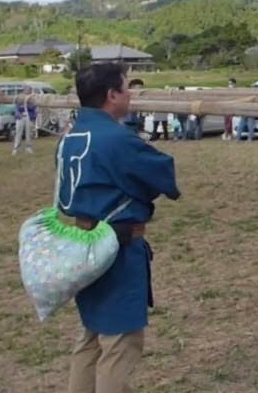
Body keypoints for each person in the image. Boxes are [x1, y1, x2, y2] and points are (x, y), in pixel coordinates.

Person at [60, 63, 180, 393]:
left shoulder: (72, 136)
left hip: (84, 241)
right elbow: (163, 175)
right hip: (117, 248)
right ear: (112, 95)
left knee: (90, 337)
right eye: (126, 88)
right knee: (120, 344)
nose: (131, 94)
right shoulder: (117, 139)